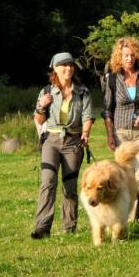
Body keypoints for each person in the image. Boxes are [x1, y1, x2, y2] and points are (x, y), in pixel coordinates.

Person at [30, 52, 95, 238]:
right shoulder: (46, 92)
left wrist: (85, 133)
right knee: (47, 182)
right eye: (63, 65)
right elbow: (40, 119)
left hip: (73, 141)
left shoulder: (83, 92)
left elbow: (88, 117)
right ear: (55, 69)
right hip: (51, 140)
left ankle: (69, 228)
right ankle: (42, 227)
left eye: (70, 65)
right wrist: (41, 106)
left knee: (70, 186)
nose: (68, 68)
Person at [102, 36, 139, 223]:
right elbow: (107, 110)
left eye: (132, 55)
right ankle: (129, 215)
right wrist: (110, 136)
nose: (129, 59)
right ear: (119, 56)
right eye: (125, 55)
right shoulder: (111, 79)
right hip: (121, 132)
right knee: (127, 175)